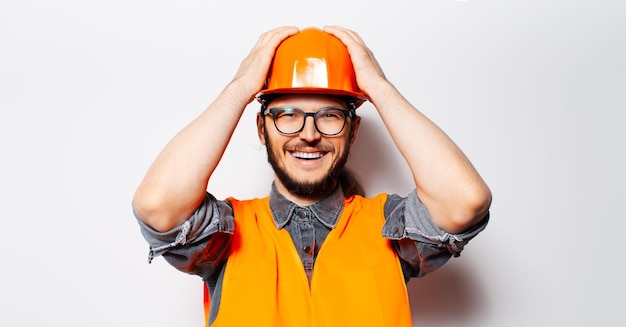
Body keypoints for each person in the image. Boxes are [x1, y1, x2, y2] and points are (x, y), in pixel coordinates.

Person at [133, 25, 492, 327]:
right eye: (287, 114)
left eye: (330, 116)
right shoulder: (227, 232)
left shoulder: (388, 227)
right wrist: (240, 87)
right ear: (262, 129)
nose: (308, 134)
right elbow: (157, 204)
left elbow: (465, 199)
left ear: (352, 131)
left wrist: (380, 87)